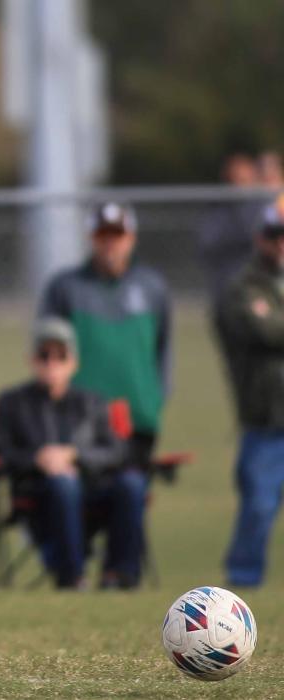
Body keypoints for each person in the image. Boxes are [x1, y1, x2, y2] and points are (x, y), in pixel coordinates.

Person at [0, 319, 134, 589]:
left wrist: (75, 455)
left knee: (132, 485)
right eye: (44, 355)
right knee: (63, 484)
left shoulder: (93, 403)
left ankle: (120, 574)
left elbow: (117, 450)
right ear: (31, 360)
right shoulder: (12, 403)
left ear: (74, 362)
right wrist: (38, 458)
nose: (52, 363)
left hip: (92, 486)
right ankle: (72, 576)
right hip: (38, 492)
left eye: (61, 355)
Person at [39, 202, 172, 479]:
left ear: (131, 239)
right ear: (91, 238)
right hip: (81, 419)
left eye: (117, 235)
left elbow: (163, 348)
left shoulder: (151, 287)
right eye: (103, 235)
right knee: (76, 502)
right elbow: (47, 349)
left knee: (131, 496)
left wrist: (155, 398)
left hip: (138, 418)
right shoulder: (67, 287)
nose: (110, 243)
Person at [217, 196, 284, 587]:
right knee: (258, 506)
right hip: (266, 419)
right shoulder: (243, 286)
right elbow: (263, 331)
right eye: (274, 234)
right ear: (260, 237)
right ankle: (243, 584)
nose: (280, 243)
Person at [198, 153, 263, 299]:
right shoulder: (216, 211)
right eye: (233, 179)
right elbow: (208, 244)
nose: (238, 185)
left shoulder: (264, 208)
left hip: (258, 288)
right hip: (226, 285)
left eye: (243, 180)